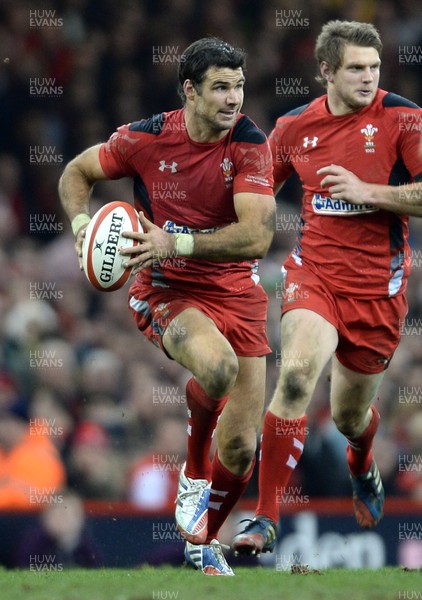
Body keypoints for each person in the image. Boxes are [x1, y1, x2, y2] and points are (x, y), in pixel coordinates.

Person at [58, 37, 275, 576]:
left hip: (238, 293)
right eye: (221, 87)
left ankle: (202, 544)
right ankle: (193, 477)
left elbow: (257, 238)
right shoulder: (146, 138)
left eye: (239, 86)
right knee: (218, 367)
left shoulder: (249, 143)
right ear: (190, 91)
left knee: (244, 448)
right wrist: (86, 231)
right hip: (165, 289)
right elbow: (75, 174)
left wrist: (175, 241)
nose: (233, 99)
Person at [233, 20, 422, 556]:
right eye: (355, 69)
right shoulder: (293, 128)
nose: (368, 78)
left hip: (378, 293)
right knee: (293, 377)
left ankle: (361, 461)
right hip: (313, 275)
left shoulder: (404, 118)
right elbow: (255, 194)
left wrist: (370, 191)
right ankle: (265, 518)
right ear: (326, 72)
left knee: (348, 417)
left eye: (374, 67)